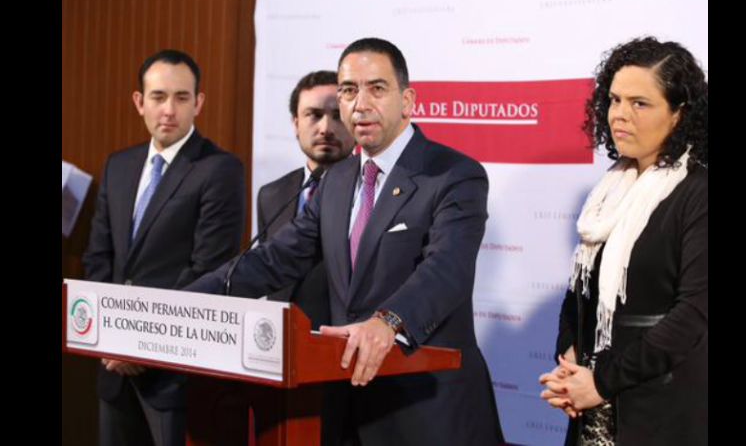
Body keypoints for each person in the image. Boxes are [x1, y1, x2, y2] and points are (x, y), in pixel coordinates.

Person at [186, 37, 503, 446]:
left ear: (407, 101)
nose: (360, 103)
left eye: (377, 88)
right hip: (347, 408)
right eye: (349, 91)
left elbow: (446, 270)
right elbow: (274, 259)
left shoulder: (454, 174)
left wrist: (388, 322)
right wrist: (185, 302)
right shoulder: (335, 181)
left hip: (428, 410)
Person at [539, 37, 708, 445]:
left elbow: (693, 314)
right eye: (614, 100)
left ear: (679, 113)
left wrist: (600, 381)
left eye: (640, 103)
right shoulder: (609, 191)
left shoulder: (699, 192)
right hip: (594, 410)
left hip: (662, 414)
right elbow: (580, 292)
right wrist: (570, 360)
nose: (620, 115)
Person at [82, 49, 246, 446]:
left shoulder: (220, 170)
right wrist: (111, 341)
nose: (168, 110)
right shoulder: (119, 165)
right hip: (113, 368)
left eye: (181, 97)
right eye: (158, 97)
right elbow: (98, 259)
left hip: (174, 373)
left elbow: (207, 271)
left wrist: (141, 345)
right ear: (139, 102)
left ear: (199, 103)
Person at [258, 70, 355, 329]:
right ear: (295, 123)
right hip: (280, 340)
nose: (325, 128)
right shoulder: (271, 195)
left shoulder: (372, 190)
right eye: (313, 115)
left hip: (343, 341)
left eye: (337, 116)